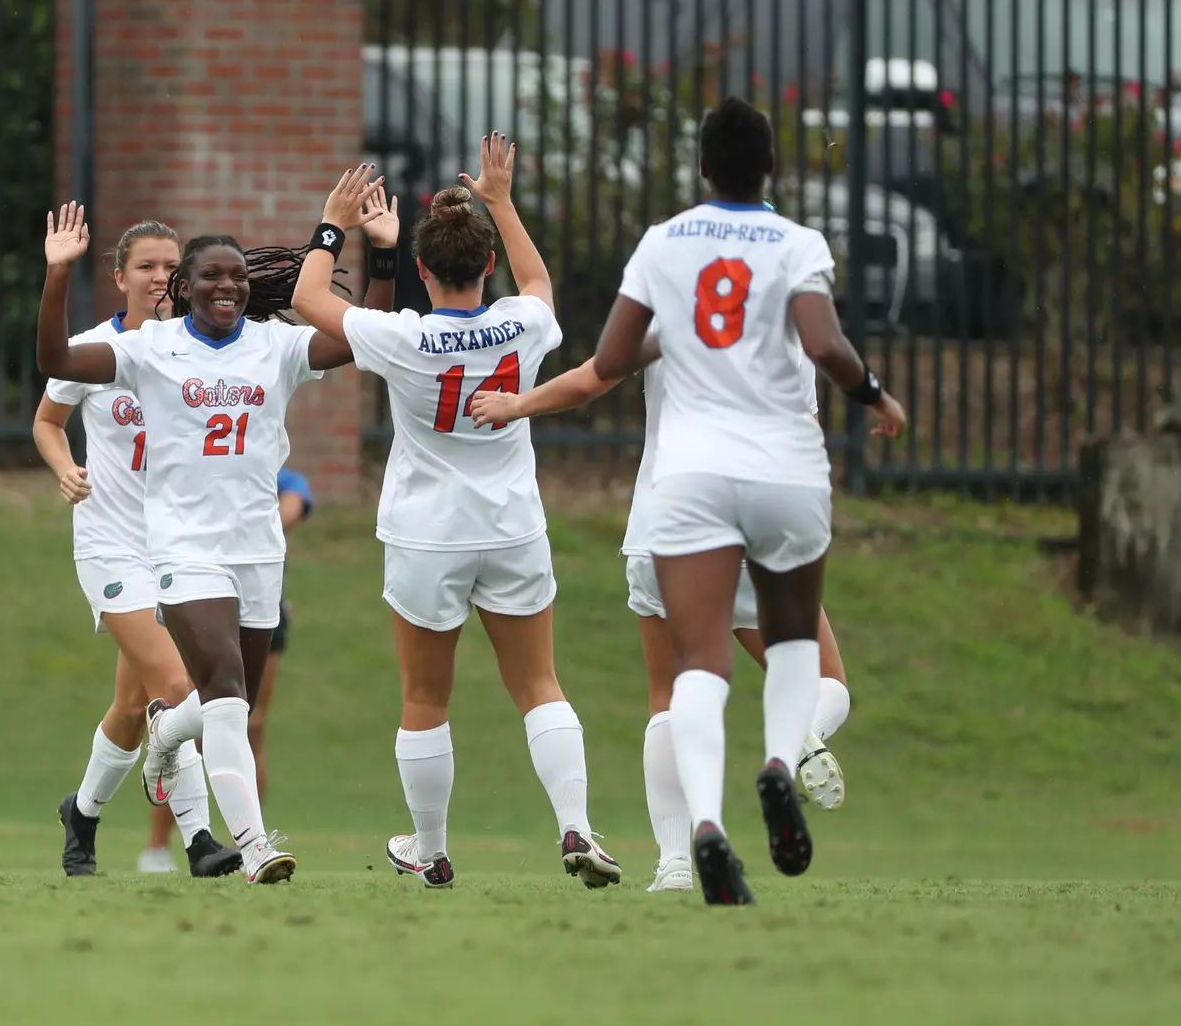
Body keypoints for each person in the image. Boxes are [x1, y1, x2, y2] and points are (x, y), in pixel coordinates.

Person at [590, 97, 905, 906]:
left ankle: (702, 828)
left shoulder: (662, 243)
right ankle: (776, 763)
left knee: (698, 665)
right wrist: (872, 395)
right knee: (795, 644)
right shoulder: (797, 241)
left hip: (689, 474)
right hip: (785, 470)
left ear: (701, 167)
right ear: (769, 167)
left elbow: (613, 355)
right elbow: (823, 343)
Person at [35, 177, 388, 885]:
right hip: (164, 545)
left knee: (203, 703)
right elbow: (56, 368)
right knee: (215, 691)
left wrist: (375, 252)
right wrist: (56, 273)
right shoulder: (147, 349)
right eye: (201, 276)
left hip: (256, 548)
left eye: (232, 276)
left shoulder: (274, 345)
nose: (221, 286)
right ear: (181, 290)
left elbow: (359, 339)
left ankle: (145, 758)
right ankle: (236, 843)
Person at [290, 136, 621, 891]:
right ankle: (575, 825)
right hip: (510, 525)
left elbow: (310, 301)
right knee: (539, 685)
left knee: (423, 697)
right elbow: (538, 282)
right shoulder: (521, 322)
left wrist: (332, 224)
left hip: (425, 532)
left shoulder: (403, 336)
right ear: (485, 267)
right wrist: (501, 201)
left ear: (422, 270)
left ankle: (431, 851)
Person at [469, 331, 852, 894]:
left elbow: (589, 381)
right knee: (826, 681)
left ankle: (674, 865)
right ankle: (802, 734)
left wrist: (516, 403)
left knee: (666, 698)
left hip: (664, 527)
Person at [35, 219, 240, 880]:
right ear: (119, 277)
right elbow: (46, 421)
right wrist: (64, 467)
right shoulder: (96, 348)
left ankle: (83, 815)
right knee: (177, 688)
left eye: (168, 267)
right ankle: (201, 838)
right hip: (111, 546)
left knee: (134, 707)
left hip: (180, 548)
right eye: (145, 266)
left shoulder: (196, 348)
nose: (159, 277)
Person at [138, 466, 316, 873]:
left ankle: (166, 730)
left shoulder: (280, 476)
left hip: (261, 601)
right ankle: (175, 845)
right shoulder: (198, 463)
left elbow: (290, 510)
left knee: (248, 720)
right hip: (201, 589)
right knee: (223, 709)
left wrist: (251, 507)